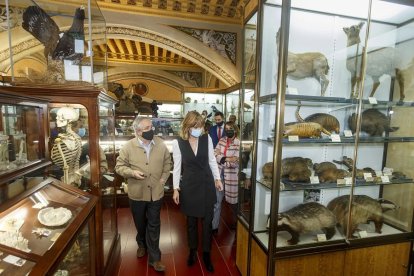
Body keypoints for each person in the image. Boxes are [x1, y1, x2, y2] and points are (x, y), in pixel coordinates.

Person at [115, 116, 172, 272]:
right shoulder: (128, 146)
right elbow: (119, 167)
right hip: (137, 193)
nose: (151, 130)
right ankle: (141, 242)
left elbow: (168, 162)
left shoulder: (160, 143)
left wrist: (164, 178)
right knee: (140, 223)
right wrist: (132, 172)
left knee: (154, 224)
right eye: (147, 128)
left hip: (156, 192)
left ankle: (155, 258)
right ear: (137, 131)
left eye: (151, 127)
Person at [172, 111, 223, 273]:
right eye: (197, 127)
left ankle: (206, 253)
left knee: (207, 222)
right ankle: (192, 251)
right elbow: (177, 167)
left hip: (206, 183)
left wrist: (217, 179)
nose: (200, 130)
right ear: (188, 126)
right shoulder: (178, 142)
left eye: (201, 127)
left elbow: (211, 160)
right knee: (191, 223)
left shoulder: (206, 138)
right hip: (189, 185)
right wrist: (175, 188)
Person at [213, 121, 240, 232]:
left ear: (235, 130)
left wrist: (221, 157)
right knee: (217, 202)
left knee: (233, 203)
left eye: (231, 128)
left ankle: (237, 223)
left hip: (232, 176)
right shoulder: (222, 140)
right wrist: (226, 158)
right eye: (227, 128)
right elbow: (214, 154)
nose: (228, 130)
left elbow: (235, 163)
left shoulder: (239, 143)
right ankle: (214, 226)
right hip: (220, 175)